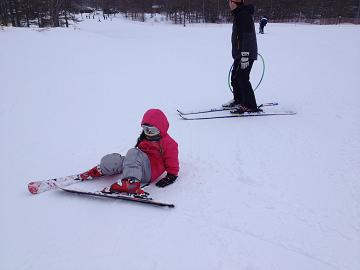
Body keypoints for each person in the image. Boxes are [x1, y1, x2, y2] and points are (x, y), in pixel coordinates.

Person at [78, 108, 179, 197]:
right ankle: (100, 169)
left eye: (152, 130)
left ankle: (131, 183)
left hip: (150, 172)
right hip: (139, 166)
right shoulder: (144, 138)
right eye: (145, 129)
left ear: (161, 128)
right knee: (115, 159)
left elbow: (172, 161)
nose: (148, 133)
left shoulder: (168, 143)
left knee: (133, 153)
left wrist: (171, 176)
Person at [222, 0, 260, 113]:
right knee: (235, 77)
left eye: (229, 1)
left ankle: (250, 105)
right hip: (241, 54)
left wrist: (245, 55)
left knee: (242, 78)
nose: (228, 4)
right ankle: (239, 100)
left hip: (245, 54)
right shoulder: (239, 14)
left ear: (234, 3)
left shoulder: (243, 15)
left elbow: (246, 35)